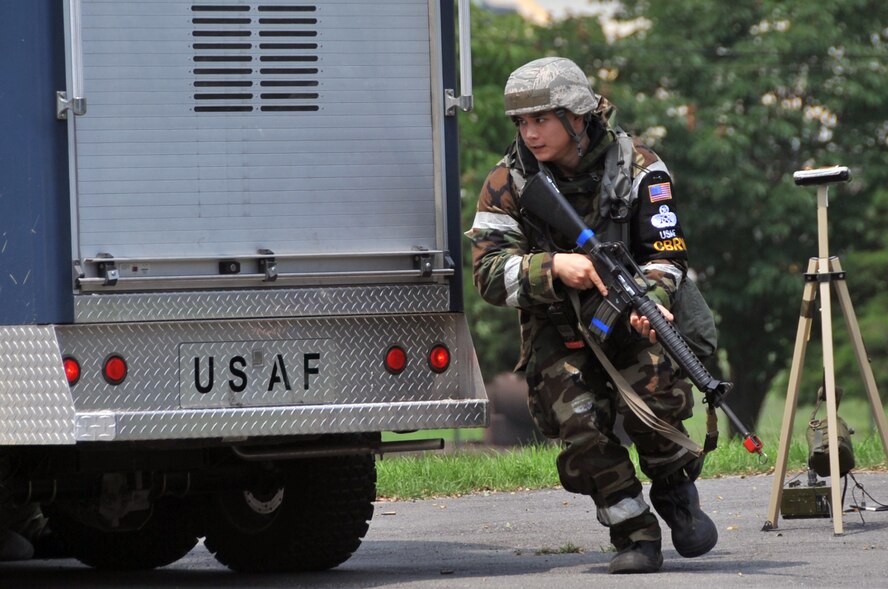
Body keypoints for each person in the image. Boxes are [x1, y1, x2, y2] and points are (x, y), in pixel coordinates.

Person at [465, 57, 718, 574]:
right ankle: (634, 531)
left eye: (542, 119)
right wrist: (554, 266)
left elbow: (667, 256)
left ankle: (675, 492)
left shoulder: (640, 167)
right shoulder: (507, 182)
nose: (529, 133)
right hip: (556, 329)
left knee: (657, 400)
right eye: (521, 123)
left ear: (577, 117)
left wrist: (652, 302)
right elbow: (488, 274)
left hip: (631, 315)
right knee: (580, 427)